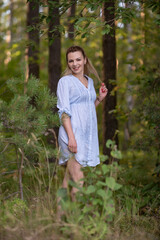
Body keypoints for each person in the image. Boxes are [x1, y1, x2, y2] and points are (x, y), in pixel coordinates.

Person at [57, 45, 108, 202]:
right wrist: (71, 139)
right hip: (70, 136)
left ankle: (58, 220)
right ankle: (77, 225)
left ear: (85, 60)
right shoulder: (65, 82)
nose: (75, 64)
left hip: (85, 137)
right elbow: (64, 112)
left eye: (78, 59)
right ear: (68, 63)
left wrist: (99, 98)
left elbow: (87, 109)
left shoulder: (90, 81)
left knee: (67, 182)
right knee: (79, 182)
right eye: (71, 61)